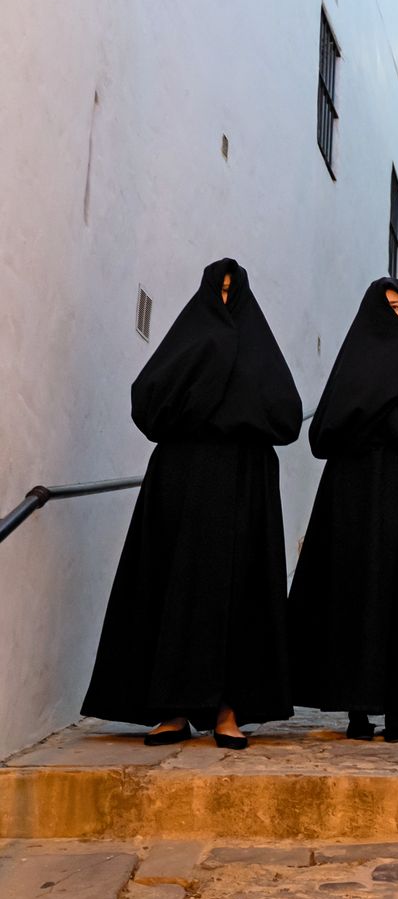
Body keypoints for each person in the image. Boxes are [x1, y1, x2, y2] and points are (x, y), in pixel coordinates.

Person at [82, 258, 302, 749]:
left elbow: (285, 415)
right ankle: (173, 709)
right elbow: (149, 401)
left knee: (239, 592)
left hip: (244, 481)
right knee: (174, 589)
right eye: (217, 291)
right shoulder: (189, 341)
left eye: (231, 292)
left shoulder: (259, 348)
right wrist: (212, 367)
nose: (224, 300)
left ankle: (228, 710)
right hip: (183, 480)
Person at [288, 277, 398, 742]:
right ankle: (356, 710)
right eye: (386, 307)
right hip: (352, 491)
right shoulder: (355, 358)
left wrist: (376, 420)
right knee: (351, 591)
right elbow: (326, 428)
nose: (393, 315)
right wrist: (382, 418)